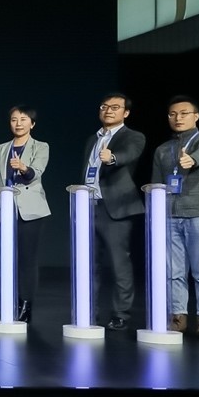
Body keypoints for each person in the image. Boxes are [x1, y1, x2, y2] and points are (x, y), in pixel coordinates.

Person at [152, 95, 199, 339]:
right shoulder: (163, 149)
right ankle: (178, 317)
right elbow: (156, 184)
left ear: (196, 116)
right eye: (173, 114)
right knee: (174, 272)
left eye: (184, 113)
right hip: (170, 216)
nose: (178, 118)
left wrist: (192, 159)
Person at [83, 92, 145, 331]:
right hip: (89, 206)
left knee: (120, 265)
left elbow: (130, 155)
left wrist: (112, 158)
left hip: (116, 209)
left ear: (125, 112)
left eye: (115, 107)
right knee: (89, 265)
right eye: (104, 106)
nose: (108, 110)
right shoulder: (93, 138)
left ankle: (120, 314)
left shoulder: (133, 136)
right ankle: (88, 312)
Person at [0, 106, 50, 323]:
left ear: (32, 124)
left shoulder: (41, 146)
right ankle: (9, 301)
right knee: (7, 258)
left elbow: (35, 173)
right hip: (5, 209)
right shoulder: (1, 149)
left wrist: (23, 167)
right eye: (14, 119)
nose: (18, 123)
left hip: (31, 211)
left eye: (23, 119)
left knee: (27, 260)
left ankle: (26, 304)